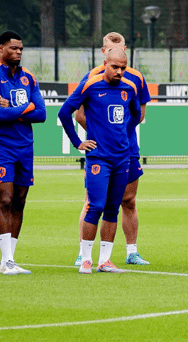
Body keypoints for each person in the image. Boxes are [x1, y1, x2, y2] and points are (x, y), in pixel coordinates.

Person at [59, 46, 141, 274]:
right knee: (94, 206)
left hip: (122, 158)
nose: (119, 72)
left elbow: (136, 114)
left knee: (113, 208)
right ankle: (86, 259)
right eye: (115, 67)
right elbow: (65, 112)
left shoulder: (130, 87)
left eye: (123, 68)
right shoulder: (91, 85)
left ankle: (104, 260)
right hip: (98, 158)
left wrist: (123, 132)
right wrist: (78, 142)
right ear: (105, 63)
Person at [73, 32, 151, 266]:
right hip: (100, 150)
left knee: (128, 200)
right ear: (103, 52)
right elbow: (77, 113)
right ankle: (83, 253)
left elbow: (140, 113)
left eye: (121, 51)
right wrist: (102, 133)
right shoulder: (92, 78)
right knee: (91, 201)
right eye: (108, 50)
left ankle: (131, 251)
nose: (116, 57)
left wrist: (117, 133)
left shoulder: (136, 78)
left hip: (127, 148)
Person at [0, 30, 46, 276]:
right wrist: (27, 107)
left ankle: (12, 259)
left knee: (20, 200)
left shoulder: (29, 78)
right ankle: (5, 260)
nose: (18, 52)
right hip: (0, 146)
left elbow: (41, 114)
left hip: (25, 147)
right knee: (5, 199)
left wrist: (17, 108)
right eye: (13, 48)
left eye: (21, 48)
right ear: (1, 49)